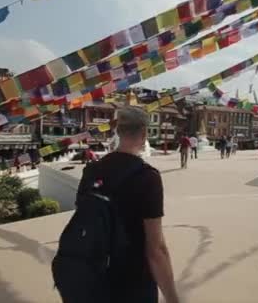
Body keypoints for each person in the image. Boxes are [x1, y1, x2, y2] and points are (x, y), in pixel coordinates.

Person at [53, 106, 179, 303]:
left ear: (117, 131)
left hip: (92, 277)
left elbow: (86, 220)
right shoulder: (148, 177)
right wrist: (172, 297)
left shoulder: (92, 170)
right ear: (144, 133)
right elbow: (156, 248)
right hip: (133, 283)